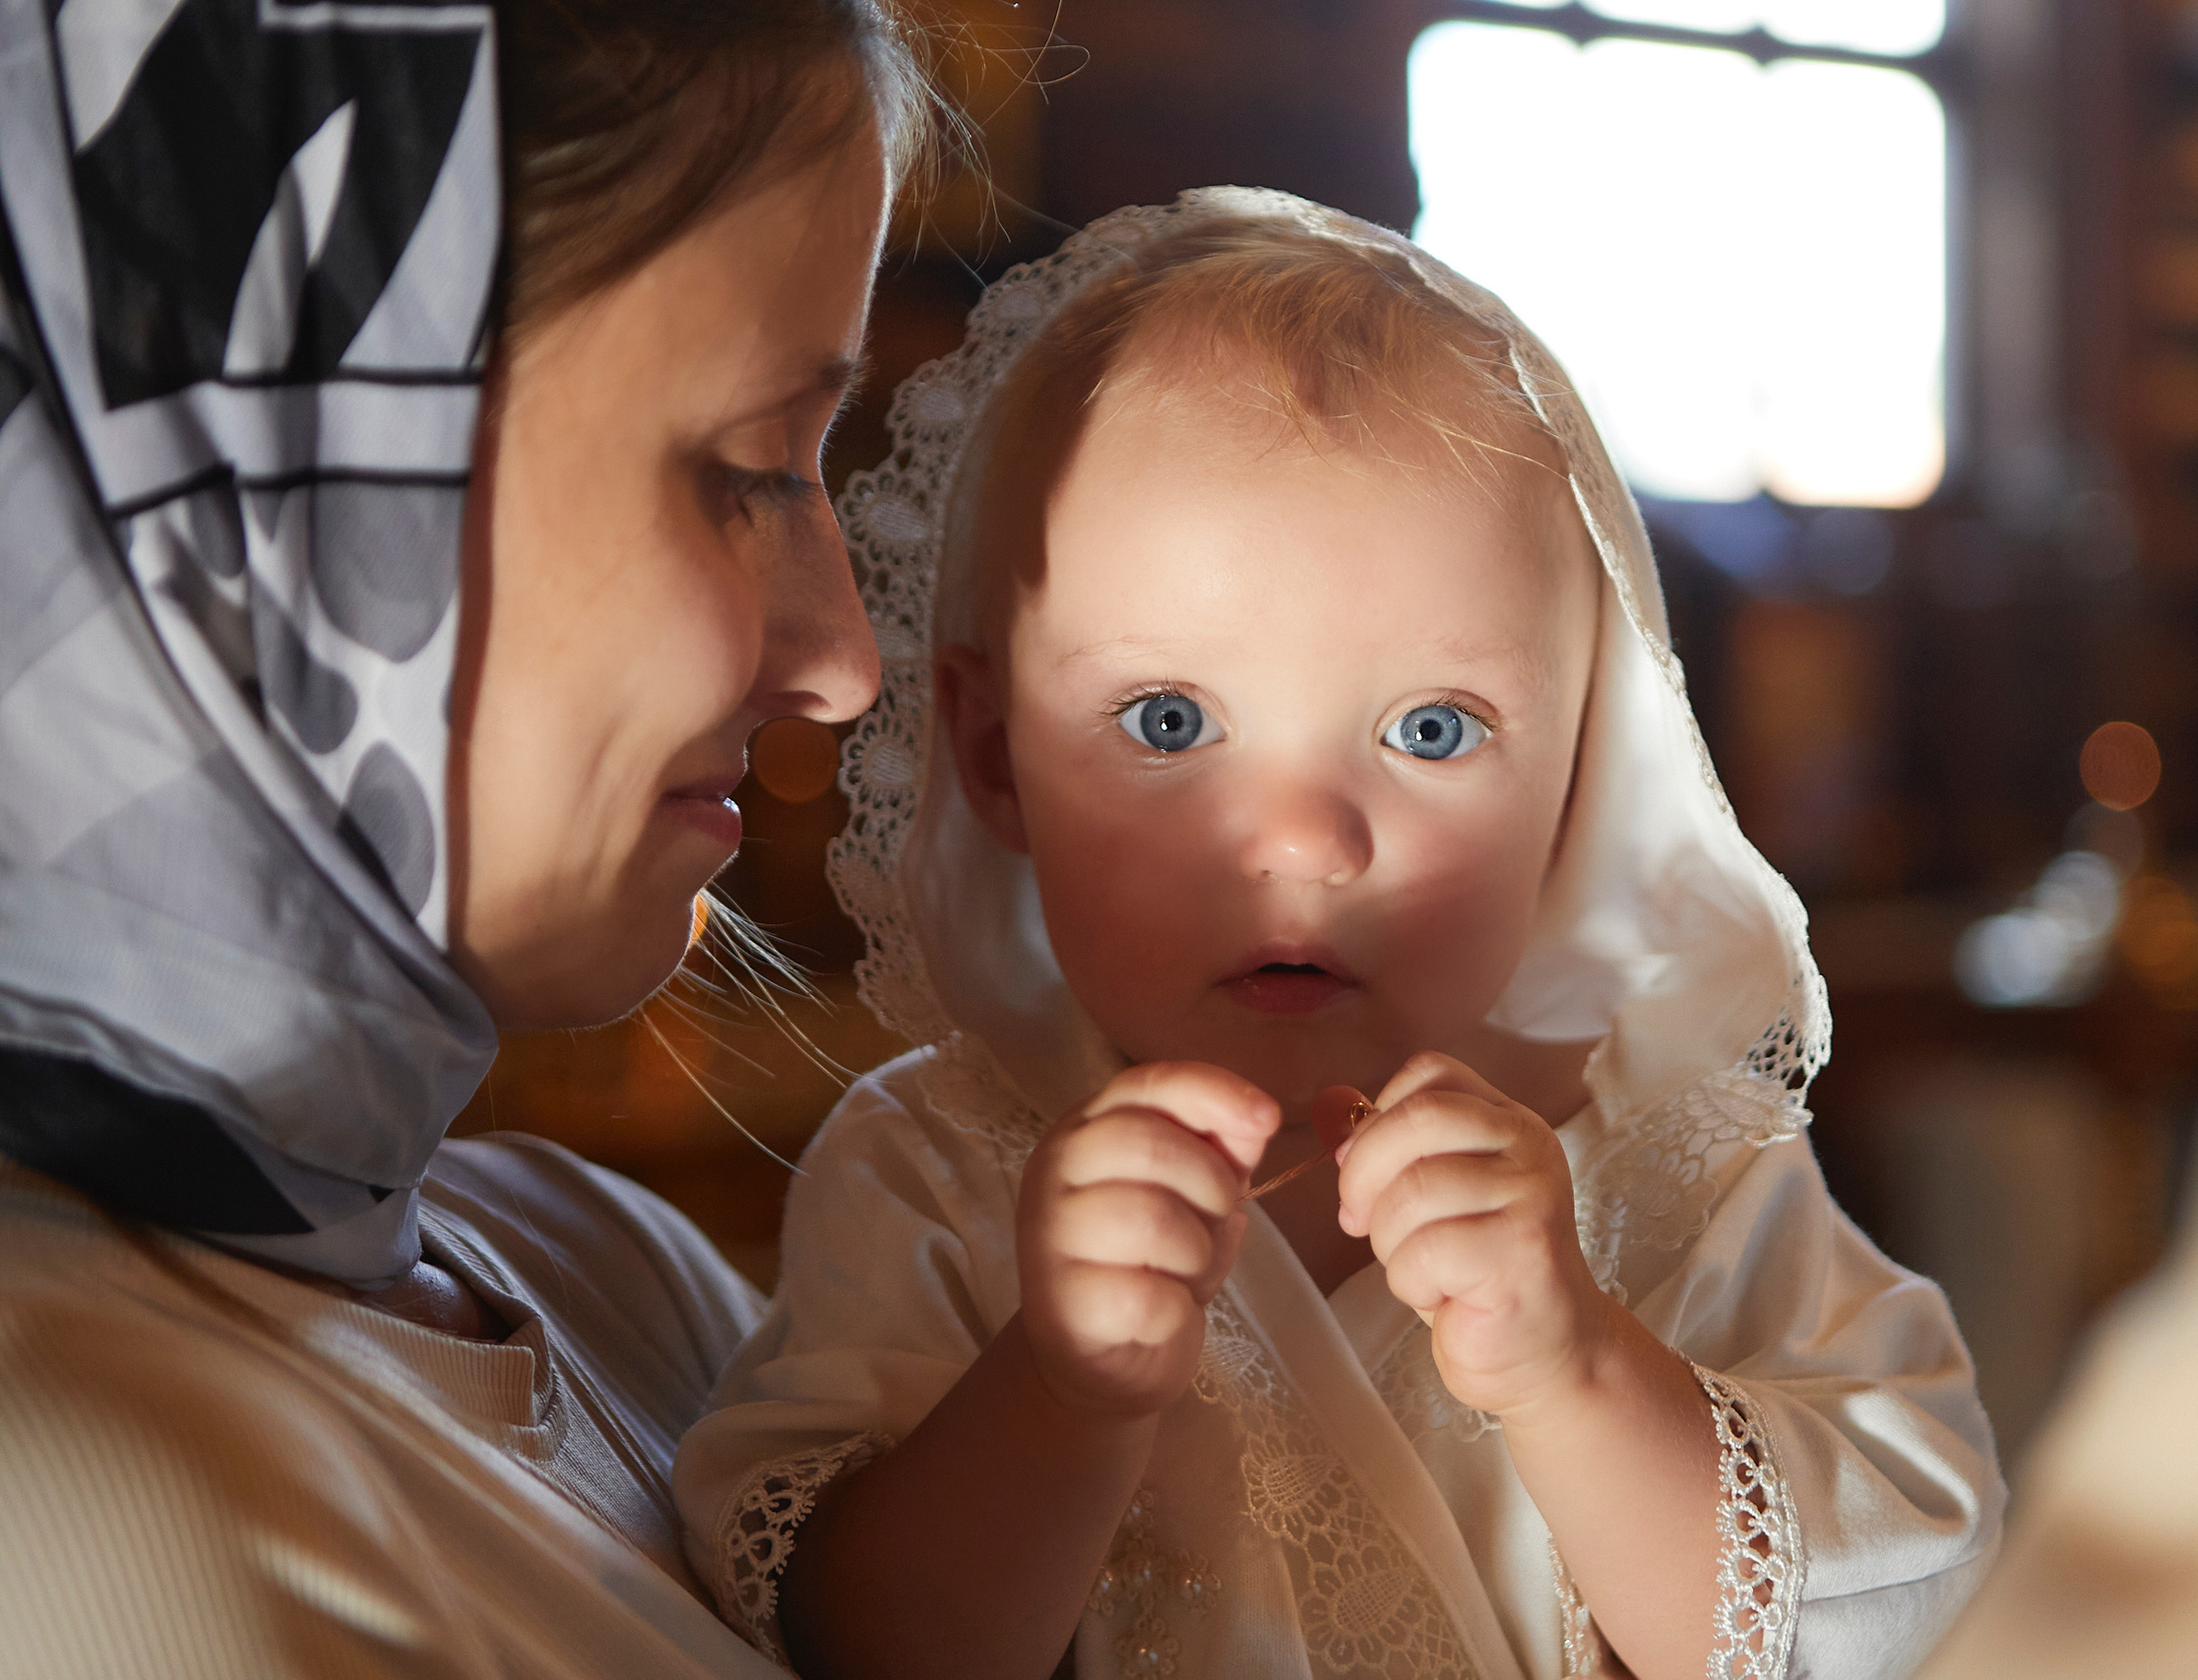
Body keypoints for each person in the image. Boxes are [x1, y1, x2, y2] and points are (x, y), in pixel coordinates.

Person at [673, 192, 2004, 1680]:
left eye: (1432, 730)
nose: (1306, 841)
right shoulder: (938, 1173)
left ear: (1584, 771)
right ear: (993, 757)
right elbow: (857, 1644)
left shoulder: (1685, 1175)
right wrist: (1061, 1389)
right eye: (1168, 721)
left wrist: (1574, 1369)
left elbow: (1886, 1608)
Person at [0, 2, 926, 1673]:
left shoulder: (597, 1267)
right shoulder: (88, 1512)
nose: (845, 661)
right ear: (285, 470)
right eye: (745, 466)